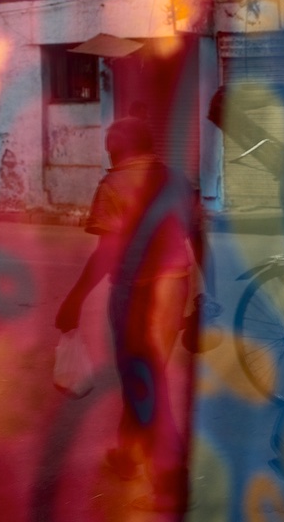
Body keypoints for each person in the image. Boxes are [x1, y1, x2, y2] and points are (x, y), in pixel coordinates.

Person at [55, 117, 201, 514]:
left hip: (136, 294)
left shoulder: (113, 185)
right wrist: (209, 296)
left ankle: (170, 481)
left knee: (143, 380)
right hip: (176, 286)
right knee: (145, 373)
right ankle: (126, 451)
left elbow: (106, 254)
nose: (106, 147)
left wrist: (75, 298)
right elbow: (197, 236)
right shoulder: (176, 180)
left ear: (122, 146)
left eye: (110, 140)